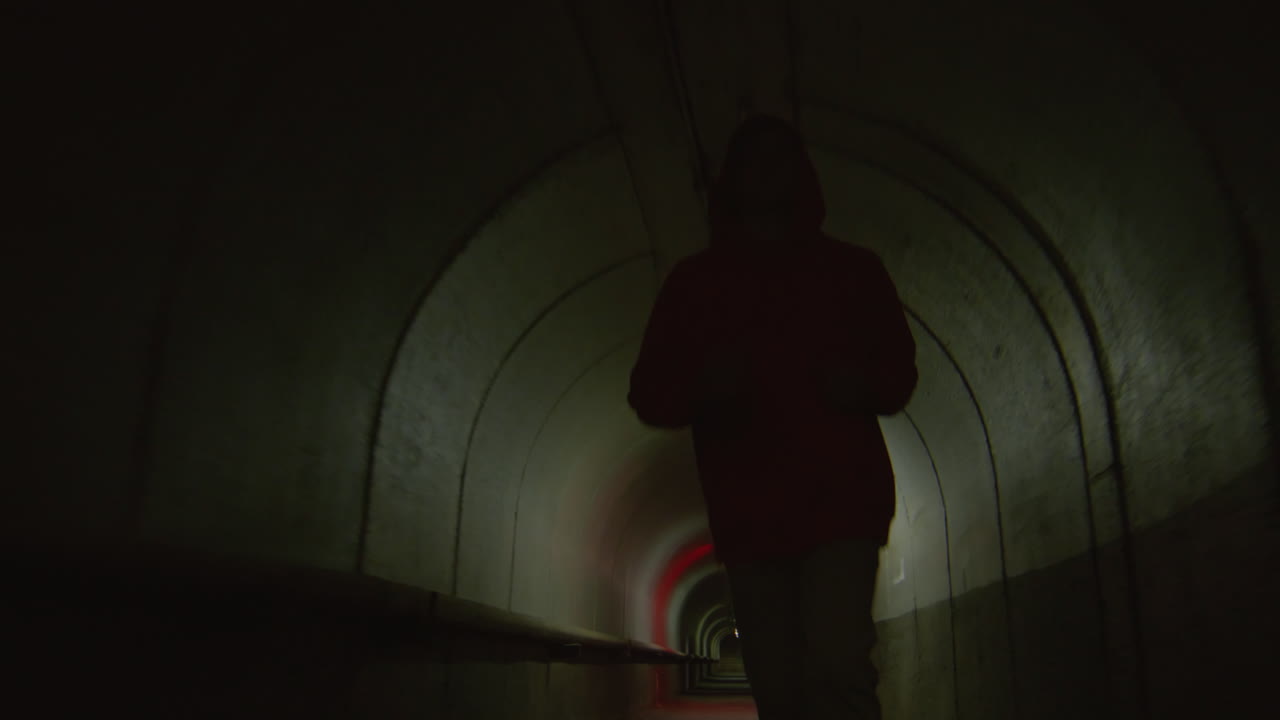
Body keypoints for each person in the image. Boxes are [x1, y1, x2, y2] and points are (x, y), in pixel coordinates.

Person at [627, 114, 917, 719]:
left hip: (843, 505)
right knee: (779, 688)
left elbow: (899, 375)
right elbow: (648, 392)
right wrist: (705, 389)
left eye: (781, 158)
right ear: (733, 180)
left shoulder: (853, 271)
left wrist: (858, 385)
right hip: (750, 516)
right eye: (754, 161)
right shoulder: (695, 284)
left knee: (839, 665)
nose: (767, 173)